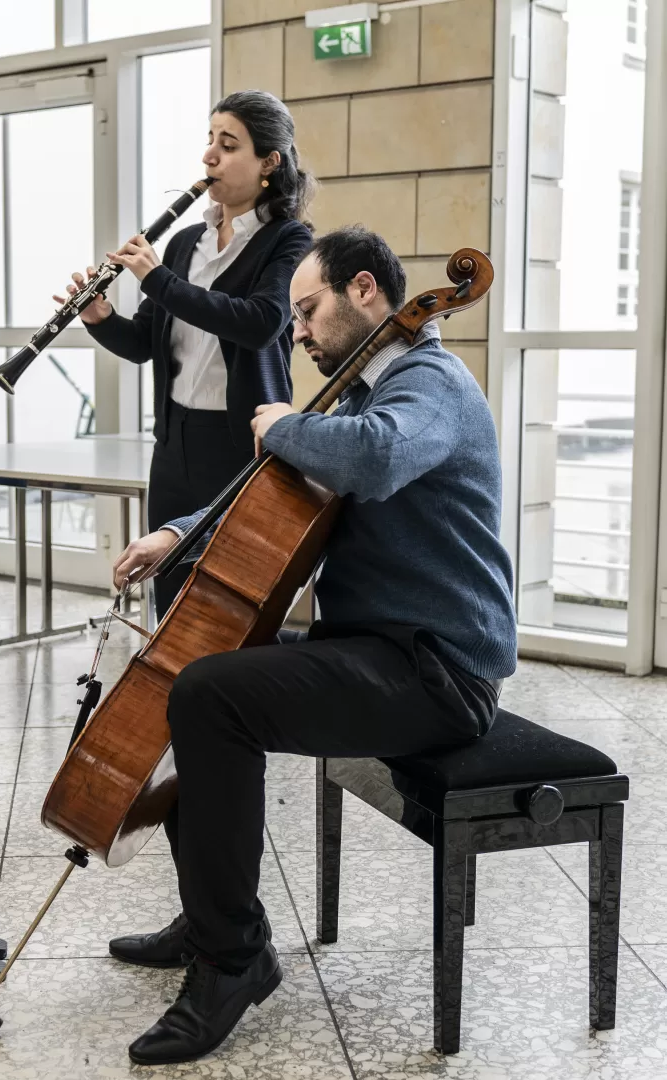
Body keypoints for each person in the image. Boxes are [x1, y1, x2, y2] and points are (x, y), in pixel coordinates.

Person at [104, 226, 517, 1066]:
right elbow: (270, 492)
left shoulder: (427, 382)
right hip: (377, 647)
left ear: (364, 291)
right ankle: (211, 913)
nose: (295, 332)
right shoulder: (367, 393)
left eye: (306, 311)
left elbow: (376, 460)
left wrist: (288, 422)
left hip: (439, 674)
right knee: (196, 673)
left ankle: (233, 960)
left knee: (212, 696)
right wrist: (177, 533)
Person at [61, 90, 314, 615]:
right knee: (170, 593)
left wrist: (157, 280)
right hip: (174, 443)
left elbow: (262, 323)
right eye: (209, 141)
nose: (208, 157)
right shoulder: (183, 243)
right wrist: (100, 319)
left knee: (229, 601)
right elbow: (141, 346)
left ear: (270, 162)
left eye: (228, 144)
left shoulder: (289, 240)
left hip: (241, 445)